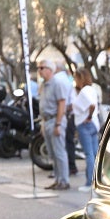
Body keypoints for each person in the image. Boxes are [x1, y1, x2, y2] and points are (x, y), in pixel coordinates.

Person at [37, 60, 72, 190]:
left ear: (49, 69)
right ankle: (57, 179)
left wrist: (58, 124)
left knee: (59, 152)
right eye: (38, 68)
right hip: (46, 120)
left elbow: (62, 104)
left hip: (55, 120)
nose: (39, 71)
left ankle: (64, 180)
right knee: (52, 153)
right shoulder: (44, 85)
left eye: (42, 68)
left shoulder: (57, 83)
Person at [72, 67, 100, 193]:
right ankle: (96, 181)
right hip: (94, 124)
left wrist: (88, 117)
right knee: (94, 154)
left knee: (89, 154)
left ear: (80, 78)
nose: (75, 81)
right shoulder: (91, 89)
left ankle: (89, 182)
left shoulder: (84, 91)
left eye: (75, 78)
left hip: (85, 124)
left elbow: (91, 105)